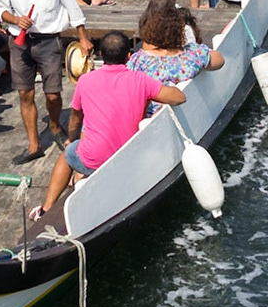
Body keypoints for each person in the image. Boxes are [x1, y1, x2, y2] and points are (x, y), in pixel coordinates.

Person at [34, 31, 185, 217]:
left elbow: (75, 118)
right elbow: (179, 97)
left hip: (95, 159)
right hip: (127, 158)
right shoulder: (141, 80)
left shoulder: (85, 80)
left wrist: (71, 139)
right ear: (129, 57)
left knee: (68, 154)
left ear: (101, 55)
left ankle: (46, 209)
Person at [0, 0, 91, 161]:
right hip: (19, 42)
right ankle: (34, 145)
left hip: (48, 40)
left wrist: (82, 36)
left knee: (53, 94)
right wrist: (15, 20)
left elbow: (71, 6)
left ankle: (55, 125)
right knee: (25, 93)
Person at [128, 2, 222, 113]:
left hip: (146, 115)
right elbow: (219, 60)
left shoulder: (139, 60)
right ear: (180, 33)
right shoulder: (190, 57)